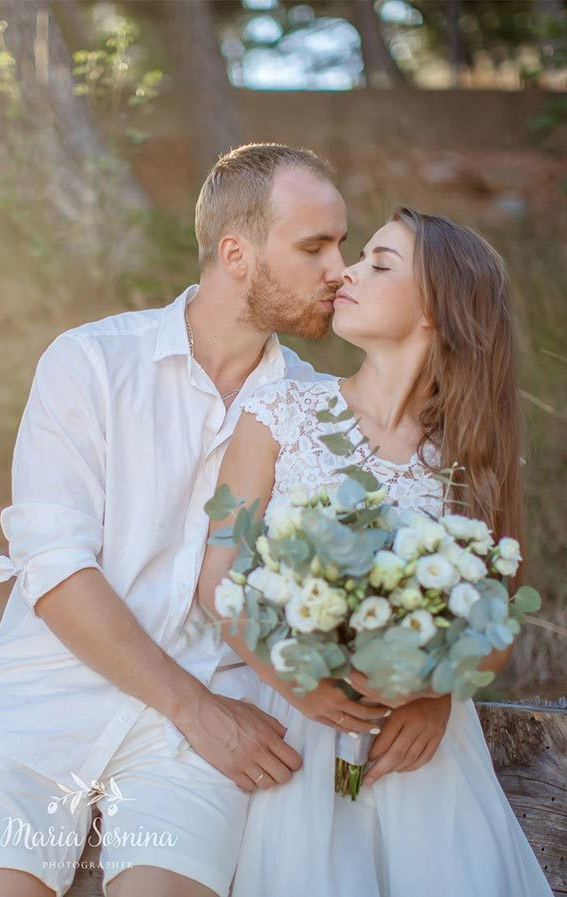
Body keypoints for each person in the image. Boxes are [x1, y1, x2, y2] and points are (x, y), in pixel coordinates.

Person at [0, 144, 362, 897]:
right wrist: (193, 705)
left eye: (342, 244)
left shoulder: (318, 408)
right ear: (236, 252)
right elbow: (55, 569)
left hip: (202, 738)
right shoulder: (88, 363)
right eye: (315, 245)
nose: (338, 267)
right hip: (47, 697)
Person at [198, 208, 551, 896]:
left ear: (438, 312)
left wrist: (435, 691)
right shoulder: (280, 415)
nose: (347, 271)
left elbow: (498, 626)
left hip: (419, 754)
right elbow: (220, 578)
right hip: (299, 727)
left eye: (380, 264)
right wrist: (292, 676)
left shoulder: (472, 458)